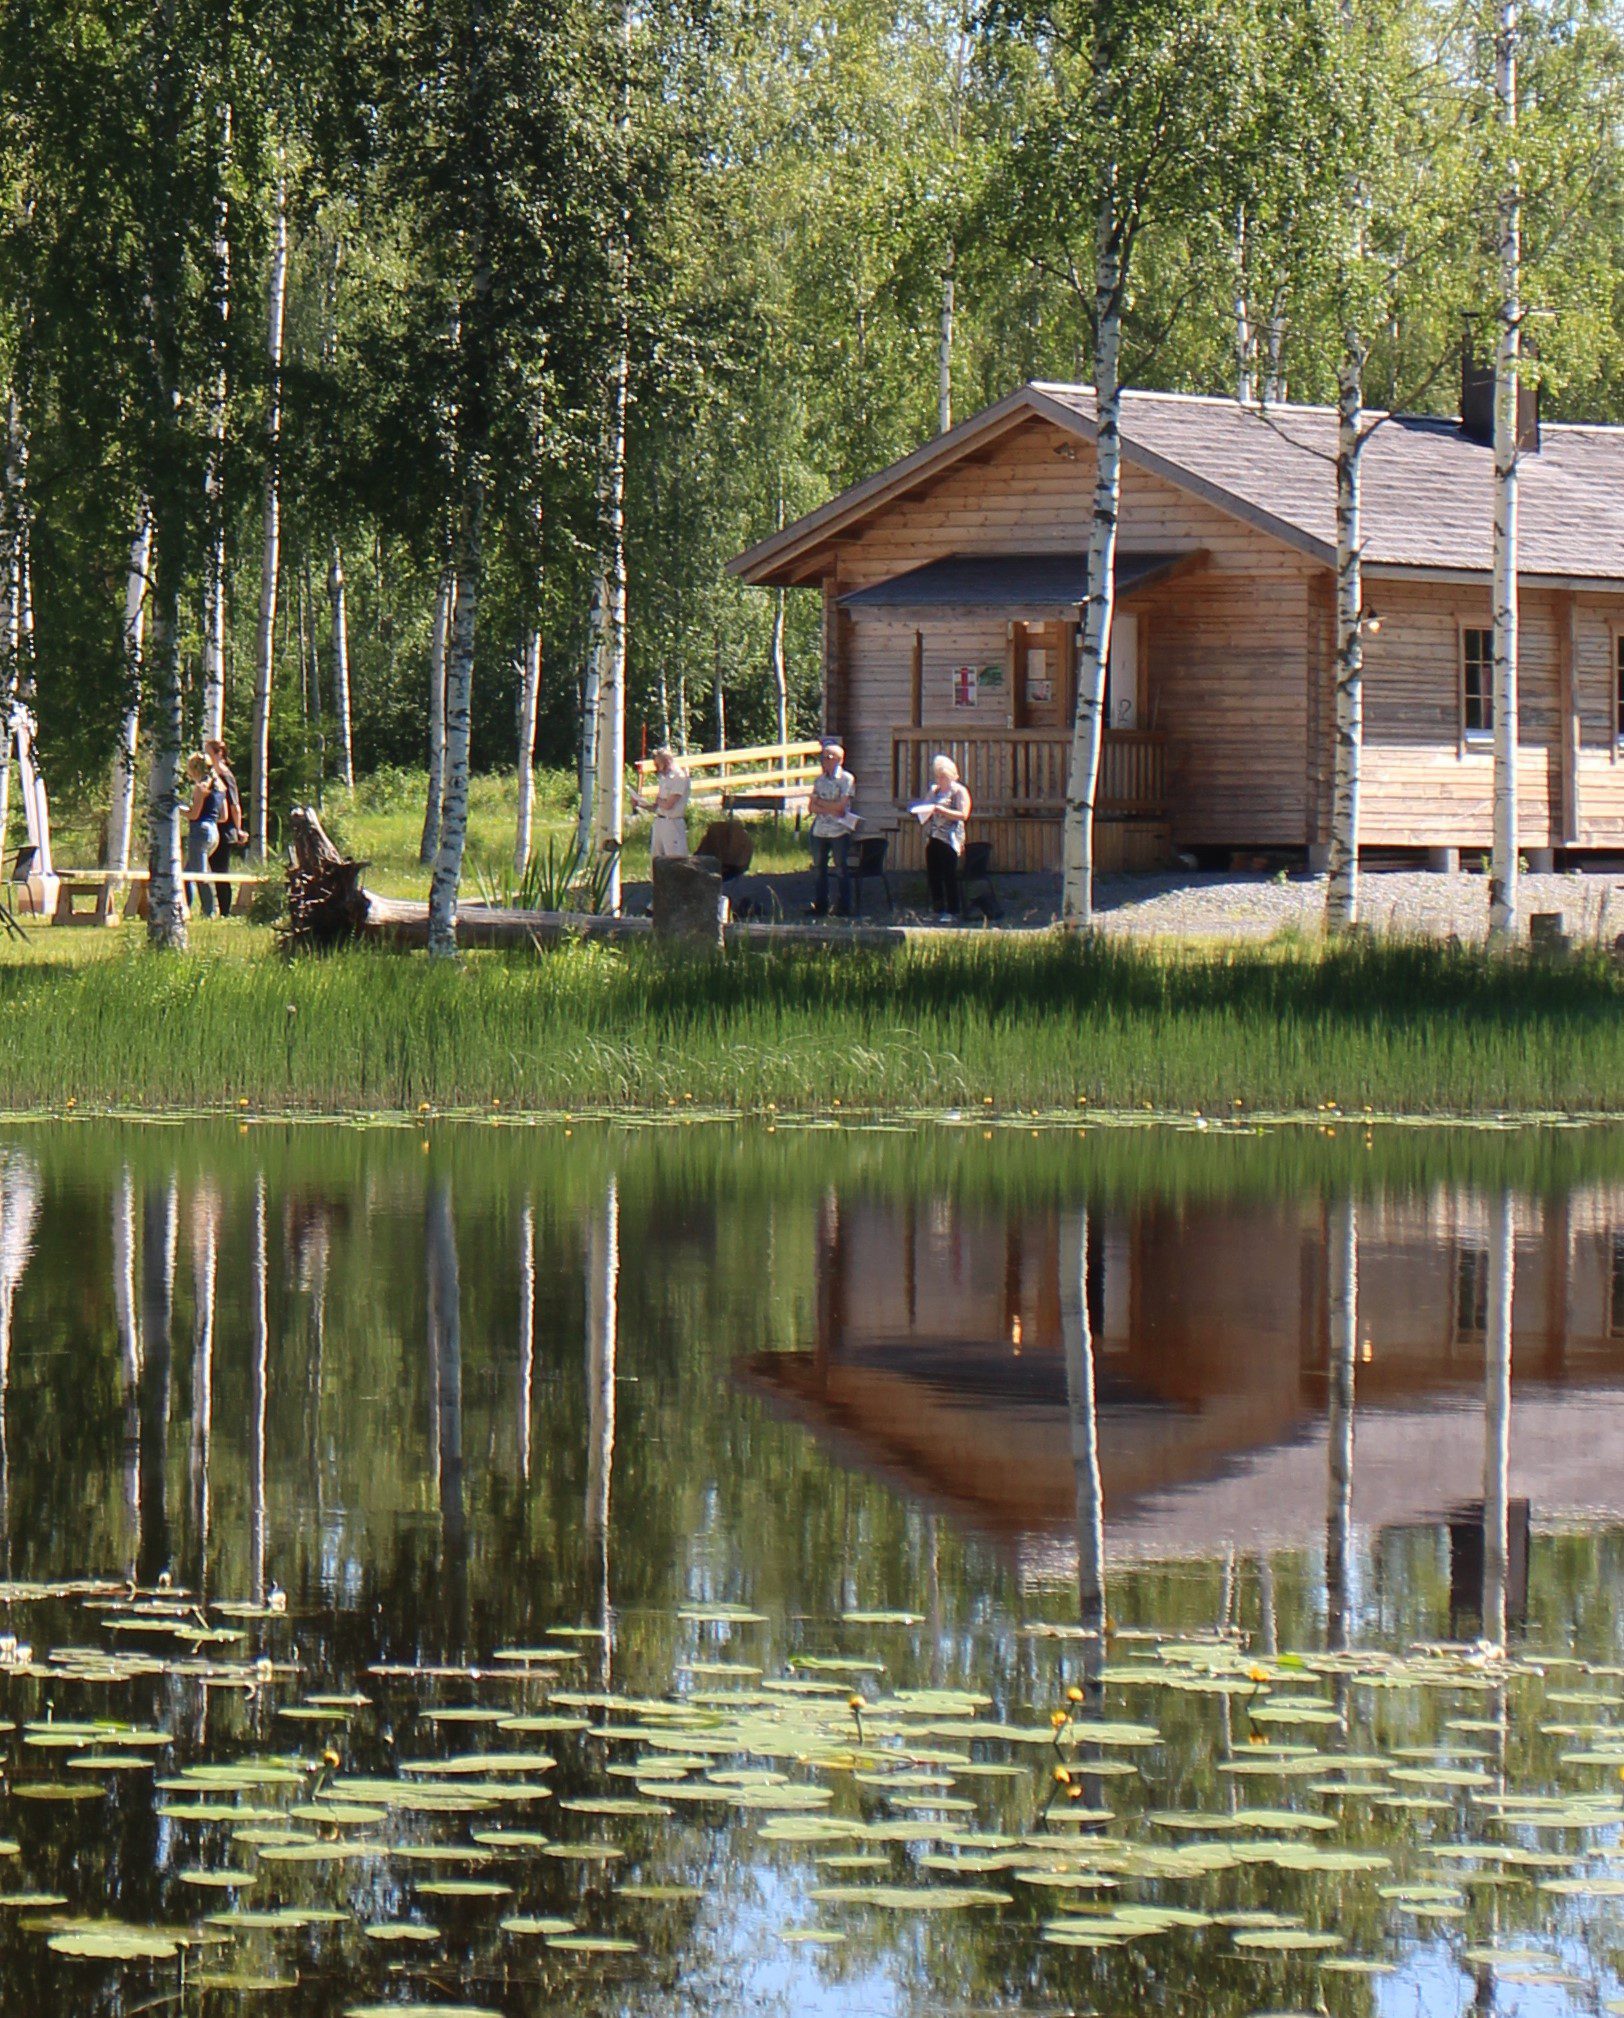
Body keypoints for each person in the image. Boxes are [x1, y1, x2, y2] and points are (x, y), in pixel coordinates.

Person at [808, 739, 857, 917]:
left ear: (839, 759)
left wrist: (820, 802)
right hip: (820, 830)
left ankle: (844, 906)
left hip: (839, 830)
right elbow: (811, 807)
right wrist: (828, 806)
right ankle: (820, 905)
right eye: (823, 757)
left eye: (829, 757)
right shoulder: (819, 780)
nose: (825, 761)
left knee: (841, 868)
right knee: (819, 868)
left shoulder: (846, 779)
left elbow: (841, 807)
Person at [923, 753, 971, 922]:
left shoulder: (959, 791)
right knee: (934, 875)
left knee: (949, 875)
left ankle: (953, 910)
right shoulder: (935, 791)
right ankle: (937, 909)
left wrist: (943, 811)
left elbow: (963, 814)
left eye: (943, 776)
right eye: (938, 776)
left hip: (950, 839)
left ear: (952, 775)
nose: (940, 779)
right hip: (934, 837)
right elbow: (926, 806)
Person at [204, 737, 246, 915]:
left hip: (225, 829)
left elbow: (235, 806)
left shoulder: (226, 776)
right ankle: (212, 907)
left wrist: (238, 829)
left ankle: (225, 911)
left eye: (208, 752)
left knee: (221, 871)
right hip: (214, 826)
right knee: (211, 869)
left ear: (219, 754)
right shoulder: (211, 775)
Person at [183, 752, 228, 918]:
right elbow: (224, 816)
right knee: (187, 873)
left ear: (194, 769)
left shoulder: (201, 787)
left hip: (200, 831)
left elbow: (194, 814)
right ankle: (185, 907)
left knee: (200, 875)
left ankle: (209, 911)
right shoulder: (220, 787)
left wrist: (178, 810)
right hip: (214, 831)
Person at [640, 747, 691, 861]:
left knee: (674, 859)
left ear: (667, 761)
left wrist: (659, 801)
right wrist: (640, 803)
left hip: (672, 823)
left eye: (658, 765)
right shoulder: (664, 778)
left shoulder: (679, 777)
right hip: (659, 821)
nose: (657, 768)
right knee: (657, 859)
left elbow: (668, 805)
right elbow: (658, 806)